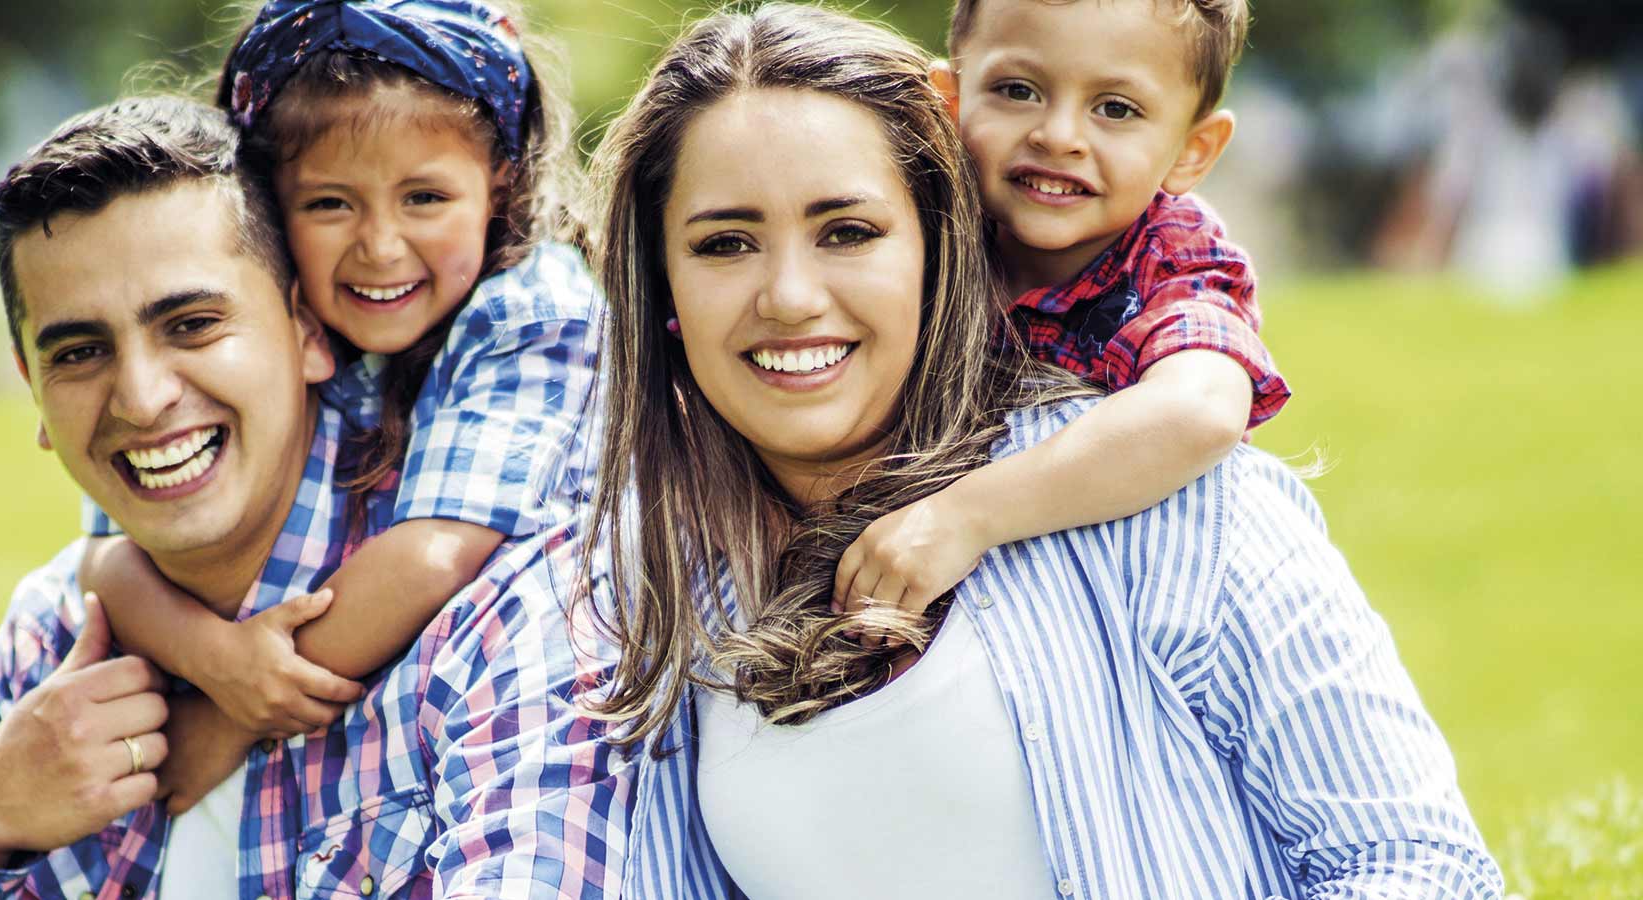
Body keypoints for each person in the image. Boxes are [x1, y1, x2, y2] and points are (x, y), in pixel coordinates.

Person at [582, 6, 1502, 897]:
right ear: (663, 284)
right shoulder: (651, 586)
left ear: (938, 245)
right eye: (727, 243)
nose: (788, 296)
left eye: (849, 232)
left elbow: (1420, 868)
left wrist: (971, 513)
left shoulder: (1166, 502)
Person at [0, 95, 627, 900]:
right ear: (33, 390)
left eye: (191, 324)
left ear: (308, 333)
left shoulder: (503, 617)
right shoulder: (58, 639)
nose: (142, 399)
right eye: (80, 352)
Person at [74, 0, 603, 785]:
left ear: (501, 179)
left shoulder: (531, 311)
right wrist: (217, 660)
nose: (381, 247)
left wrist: (232, 716)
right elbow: (105, 558)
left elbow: (430, 557)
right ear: (268, 207)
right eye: (330, 203)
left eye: (425, 198)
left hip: (520, 730)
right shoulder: (258, 321)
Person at [832, 0, 1293, 635]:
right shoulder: (921, 225)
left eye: (1115, 109)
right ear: (951, 100)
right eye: (1017, 90)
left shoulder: (1170, 255)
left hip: (1111, 609)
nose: (1059, 135)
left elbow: (1201, 411)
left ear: (1192, 149)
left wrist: (966, 516)